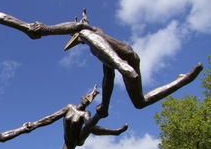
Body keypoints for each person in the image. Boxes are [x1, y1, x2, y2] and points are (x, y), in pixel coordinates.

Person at [64, 10, 203, 118]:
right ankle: (183, 80)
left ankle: (120, 65)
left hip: (126, 59)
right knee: (140, 103)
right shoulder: (97, 47)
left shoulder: (91, 34)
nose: (76, 38)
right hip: (126, 64)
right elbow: (108, 77)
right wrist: (105, 105)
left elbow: (86, 31)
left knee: (86, 34)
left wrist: (82, 24)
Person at [28, 85, 128, 149]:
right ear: (82, 98)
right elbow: (51, 118)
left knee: (90, 126)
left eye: (89, 100)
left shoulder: (85, 114)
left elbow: (91, 127)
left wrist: (113, 131)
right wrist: (35, 124)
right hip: (69, 142)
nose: (86, 101)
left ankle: (113, 129)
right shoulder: (69, 107)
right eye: (86, 98)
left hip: (79, 138)